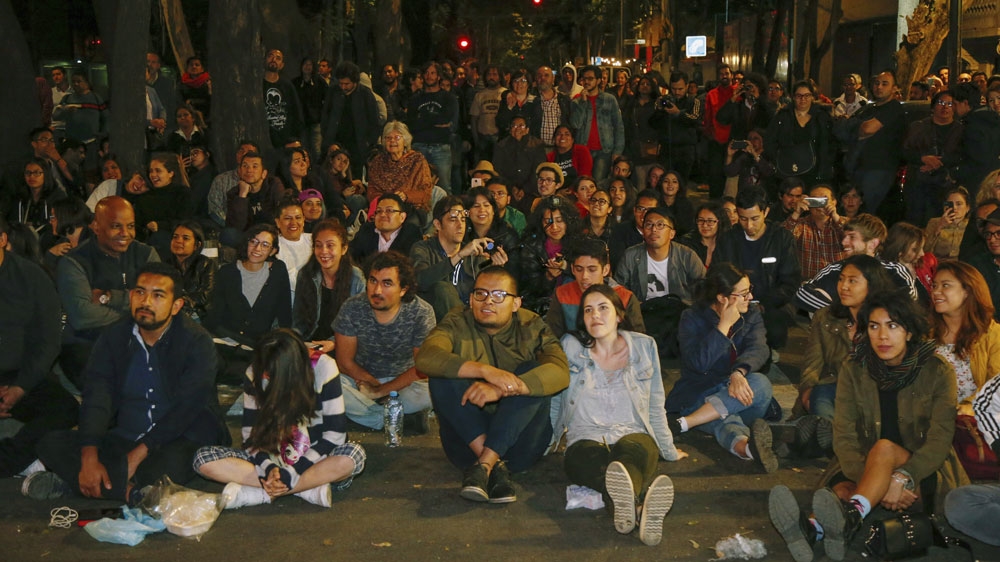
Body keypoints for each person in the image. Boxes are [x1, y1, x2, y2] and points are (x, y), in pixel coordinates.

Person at [780, 290, 968, 562]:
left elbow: (940, 440)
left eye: (893, 326)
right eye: (874, 326)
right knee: (841, 491)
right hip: (865, 462)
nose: (882, 336)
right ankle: (816, 529)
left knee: (884, 449)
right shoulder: (855, 367)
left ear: (909, 332)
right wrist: (870, 479)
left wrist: (904, 476)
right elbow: (843, 434)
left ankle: (846, 518)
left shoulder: (937, 371)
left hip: (925, 468)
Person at [26, 263, 229, 504]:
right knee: (50, 444)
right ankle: (130, 493)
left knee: (159, 471)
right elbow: (96, 397)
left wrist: (137, 455)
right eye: (139, 292)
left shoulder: (196, 341)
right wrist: (89, 455)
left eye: (158, 295)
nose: (145, 302)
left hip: (180, 436)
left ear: (176, 306)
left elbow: (187, 409)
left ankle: (81, 484)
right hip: (125, 435)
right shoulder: (114, 337)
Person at [415, 267, 569, 503]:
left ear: (516, 303)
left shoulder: (531, 325)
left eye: (498, 295)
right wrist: (486, 371)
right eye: (481, 294)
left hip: (521, 446)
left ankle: (484, 467)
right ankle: (491, 466)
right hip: (466, 446)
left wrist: (502, 387)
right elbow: (426, 357)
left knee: (532, 375)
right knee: (443, 373)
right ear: (470, 299)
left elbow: (560, 371)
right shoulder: (457, 321)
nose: (488, 301)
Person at [553, 285, 686, 546]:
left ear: (619, 314)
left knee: (631, 460)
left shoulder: (644, 346)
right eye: (588, 310)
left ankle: (631, 510)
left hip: (633, 432)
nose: (595, 315)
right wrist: (549, 440)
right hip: (585, 436)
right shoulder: (570, 346)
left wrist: (668, 449)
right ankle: (638, 510)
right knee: (593, 465)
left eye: (603, 308)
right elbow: (555, 399)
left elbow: (656, 402)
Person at [193, 329, 365, 509]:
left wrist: (294, 472)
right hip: (271, 457)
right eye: (263, 370)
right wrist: (268, 468)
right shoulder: (255, 372)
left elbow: (335, 435)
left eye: (270, 373)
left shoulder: (323, 367)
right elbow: (250, 437)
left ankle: (261, 492)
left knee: (354, 456)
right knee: (203, 458)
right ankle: (305, 488)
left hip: (315, 458)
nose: (265, 376)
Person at [665, 262, 778, 473]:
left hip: (737, 395)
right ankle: (746, 448)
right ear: (722, 298)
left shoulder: (751, 314)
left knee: (761, 382)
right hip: (699, 392)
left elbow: (759, 349)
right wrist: (723, 327)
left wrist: (738, 373)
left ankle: (685, 423)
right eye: (744, 294)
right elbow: (698, 364)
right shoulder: (691, 317)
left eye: (749, 291)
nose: (750, 298)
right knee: (724, 418)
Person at [0, 216, 79, 477]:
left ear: (2, 240)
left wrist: (20, 388)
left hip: (20, 376)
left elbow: (47, 342)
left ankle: (9, 459)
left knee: (65, 408)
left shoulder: (31, 277)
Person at [796, 255, 894, 458]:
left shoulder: (887, 320)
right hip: (834, 387)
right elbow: (813, 361)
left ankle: (821, 442)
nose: (843, 286)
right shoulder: (825, 316)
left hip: (871, 391)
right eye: (841, 279)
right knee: (821, 393)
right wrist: (807, 390)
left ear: (872, 285)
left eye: (852, 281)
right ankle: (833, 437)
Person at [57, 197, 160, 385]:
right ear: (95, 227)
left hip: (140, 336)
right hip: (88, 343)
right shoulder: (74, 262)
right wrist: (138, 306)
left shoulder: (146, 254)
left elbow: (160, 303)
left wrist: (111, 297)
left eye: (130, 226)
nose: (125, 233)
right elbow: (82, 316)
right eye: (116, 226)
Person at [333, 251, 435, 430]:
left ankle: (365, 415)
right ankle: (387, 419)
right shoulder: (352, 307)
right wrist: (373, 386)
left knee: (437, 389)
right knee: (325, 382)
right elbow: (344, 362)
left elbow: (423, 367)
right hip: (360, 381)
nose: (377, 290)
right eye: (373, 281)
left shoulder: (421, 312)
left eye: (387, 283)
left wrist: (381, 391)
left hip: (405, 384)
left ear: (403, 289)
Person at [714, 187, 801, 350]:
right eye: (743, 219)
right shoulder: (728, 239)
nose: (749, 225)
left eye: (755, 218)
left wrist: (764, 305)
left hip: (771, 304)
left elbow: (790, 281)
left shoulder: (782, 239)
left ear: (766, 212)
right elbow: (717, 274)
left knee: (774, 332)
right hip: (734, 302)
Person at [205, 224, 292, 382]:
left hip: (257, 345)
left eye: (265, 245)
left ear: (273, 251)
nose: (257, 248)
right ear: (246, 243)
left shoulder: (278, 271)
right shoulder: (227, 272)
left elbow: (284, 311)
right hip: (226, 341)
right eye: (254, 241)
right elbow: (215, 316)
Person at [796, 213, 917, 312]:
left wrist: (868, 318)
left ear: (872, 244)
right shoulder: (835, 269)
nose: (844, 242)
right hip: (842, 336)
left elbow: (908, 301)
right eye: (844, 237)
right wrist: (842, 315)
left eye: (852, 237)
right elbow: (802, 292)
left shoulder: (894, 271)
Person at [929, 260, 1000, 416]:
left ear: (967, 291)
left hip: (977, 420)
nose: (935, 292)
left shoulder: (993, 335)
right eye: (934, 286)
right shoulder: (926, 335)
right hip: (932, 420)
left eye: (945, 285)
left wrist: (969, 407)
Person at [836, 70, 907, 212]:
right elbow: (841, 130)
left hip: (879, 171)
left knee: (867, 212)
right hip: (857, 168)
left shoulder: (894, 108)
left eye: (885, 84)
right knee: (853, 213)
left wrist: (854, 127)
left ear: (894, 88)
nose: (879, 87)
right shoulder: (868, 109)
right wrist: (855, 128)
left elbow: (867, 129)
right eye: (876, 83)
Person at [545, 235, 644, 338]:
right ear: (572, 269)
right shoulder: (562, 294)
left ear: (605, 270)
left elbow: (637, 341)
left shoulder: (626, 298)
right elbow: (551, 339)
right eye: (579, 269)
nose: (584, 276)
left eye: (592, 270)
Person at [410, 196, 491, 320]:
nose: (460, 225)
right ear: (437, 224)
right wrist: (458, 256)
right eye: (453, 220)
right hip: (437, 324)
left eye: (463, 220)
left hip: (472, 321)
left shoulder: (474, 255)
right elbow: (419, 281)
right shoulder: (423, 249)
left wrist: (497, 268)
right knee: (442, 289)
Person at [292, 219, 363, 353]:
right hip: (310, 343)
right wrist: (295, 342)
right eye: (318, 245)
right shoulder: (306, 274)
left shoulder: (356, 278)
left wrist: (333, 342)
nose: (323, 251)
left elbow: (359, 323)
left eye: (330, 245)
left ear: (344, 248)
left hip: (344, 345)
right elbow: (298, 319)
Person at [615, 207, 705, 304]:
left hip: (679, 313)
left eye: (660, 225)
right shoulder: (630, 255)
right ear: (643, 232)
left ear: (672, 234)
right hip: (643, 311)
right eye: (649, 225)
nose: (653, 229)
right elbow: (618, 288)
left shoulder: (687, 256)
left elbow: (705, 287)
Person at [902, 89, 963, 226]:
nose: (945, 107)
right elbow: (904, 152)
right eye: (941, 102)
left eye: (950, 103)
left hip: (947, 186)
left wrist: (937, 162)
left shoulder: (961, 131)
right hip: (918, 185)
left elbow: (962, 155)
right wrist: (923, 158)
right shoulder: (918, 127)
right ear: (933, 106)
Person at [516, 195, 582, 315]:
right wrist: (548, 277)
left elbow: (586, 275)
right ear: (540, 222)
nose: (554, 227)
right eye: (548, 221)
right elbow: (528, 288)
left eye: (559, 220)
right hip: (540, 306)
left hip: (574, 302)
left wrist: (565, 266)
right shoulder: (531, 247)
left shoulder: (579, 243)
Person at [766, 81, 833, 185]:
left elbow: (828, 144)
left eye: (807, 95)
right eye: (799, 95)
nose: (803, 99)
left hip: (814, 173)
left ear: (812, 97)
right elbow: (770, 141)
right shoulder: (782, 116)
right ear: (793, 97)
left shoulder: (822, 117)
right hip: (786, 171)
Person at [321, 62, 380, 178]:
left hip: (358, 147)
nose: (343, 87)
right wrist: (329, 141)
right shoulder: (333, 92)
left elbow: (374, 122)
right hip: (336, 144)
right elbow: (325, 118)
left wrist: (368, 143)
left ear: (355, 82)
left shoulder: (365, 95)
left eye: (347, 84)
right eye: (341, 83)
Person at [406, 62, 457, 192]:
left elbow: (447, 119)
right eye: (427, 73)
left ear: (439, 76)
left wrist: (422, 120)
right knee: (416, 184)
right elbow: (411, 124)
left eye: (433, 73)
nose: (429, 76)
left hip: (440, 147)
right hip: (419, 146)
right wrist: (435, 122)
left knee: (444, 185)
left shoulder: (448, 98)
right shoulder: (415, 99)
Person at [366, 121, 433, 217]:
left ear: (405, 141)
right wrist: (387, 200)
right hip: (384, 208)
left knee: (409, 227)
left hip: (411, 207)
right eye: (388, 138)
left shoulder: (417, 160)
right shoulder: (378, 161)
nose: (392, 141)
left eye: (397, 137)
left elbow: (425, 192)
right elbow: (372, 190)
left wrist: (406, 196)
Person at [781, 184, 847, 279]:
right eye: (815, 201)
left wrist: (835, 217)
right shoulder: (801, 224)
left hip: (837, 282)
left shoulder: (844, 222)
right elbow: (781, 239)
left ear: (834, 202)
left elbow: (852, 238)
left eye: (824, 200)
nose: (820, 205)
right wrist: (796, 213)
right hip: (807, 284)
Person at [350, 193, 423, 264]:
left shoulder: (412, 234)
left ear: (402, 217)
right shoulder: (366, 230)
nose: (382, 214)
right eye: (379, 211)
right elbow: (352, 256)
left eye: (389, 210)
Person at [167, 220, 216, 321]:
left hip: (199, 315)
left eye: (185, 238)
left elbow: (206, 295)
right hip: (171, 312)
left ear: (197, 245)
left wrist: (183, 300)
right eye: (175, 237)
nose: (178, 241)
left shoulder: (207, 264)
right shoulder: (165, 265)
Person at [6, 157, 67, 232]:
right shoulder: (20, 197)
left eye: (37, 173)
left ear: (46, 174)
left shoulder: (57, 196)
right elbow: (12, 221)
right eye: (28, 173)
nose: (31, 176)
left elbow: (59, 223)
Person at [262, 49, 304, 149]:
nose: (273, 59)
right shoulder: (258, 85)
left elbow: (296, 112)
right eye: (270, 56)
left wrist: (297, 139)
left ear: (282, 65)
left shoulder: (287, 86)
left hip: (285, 140)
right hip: (264, 137)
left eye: (278, 58)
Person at [273, 199, 312, 301]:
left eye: (298, 218)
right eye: (287, 218)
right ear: (278, 222)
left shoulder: (314, 240)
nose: (293, 223)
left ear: (303, 220)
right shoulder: (272, 246)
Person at [678, 201, 730, 267]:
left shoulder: (728, 245)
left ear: (720, 223)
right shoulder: (687, 244)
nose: (705, 225)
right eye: (701, 220)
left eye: (710, 221)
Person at [924, 186, 970, 259]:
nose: (954, 208)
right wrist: (939, 227)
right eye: (950, 204)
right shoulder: (934, 222)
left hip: (962, 266)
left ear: (967, 208)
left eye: (959, 204)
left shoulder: (971, 225)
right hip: (938, 265)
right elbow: (925, 250)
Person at [657, 170, 694, 236]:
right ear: (661, 184)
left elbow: (688, 229)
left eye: (674, 182)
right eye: (666, 181)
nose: (670, 184)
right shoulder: (655, 203)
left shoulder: (687, 205)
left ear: (679, 187)